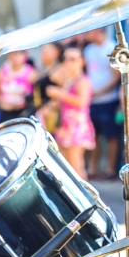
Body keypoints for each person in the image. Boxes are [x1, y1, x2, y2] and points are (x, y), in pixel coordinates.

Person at [46, 45, 95, 179]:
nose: (68, 62)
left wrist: (59, 93)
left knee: (76, 167)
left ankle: (84, 192)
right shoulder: (70, 79)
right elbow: (53, 76)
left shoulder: (83, 80)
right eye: (65, 58)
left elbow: (82, 102)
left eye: (72, 59)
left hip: (77, 127)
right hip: (65, 126)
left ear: (82, 61)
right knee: (66, 166)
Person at [84, 28, 121, 179]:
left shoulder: (112, 48)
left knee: (111, 136)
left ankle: (110, 169)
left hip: (108, 100)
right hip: (92, 100)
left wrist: (101, 91)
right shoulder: (88, 50)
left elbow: (116, 75)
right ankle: (93, 168)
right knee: (94, 135)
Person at [0, 50, 34, 123]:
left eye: (17, 54)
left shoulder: (31, 72)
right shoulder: (2, 71)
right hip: (5, 113)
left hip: (23, 114)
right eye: (12, 54)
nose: (14, 57)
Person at [32, 42, 64, 131]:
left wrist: (50, 107)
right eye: (42, 50)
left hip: (54, 116)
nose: (43, 52)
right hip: (42, 115)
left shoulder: (60, 70)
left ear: (57, 52)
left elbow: (66, 91)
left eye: (47, 50)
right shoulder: (44, 70)